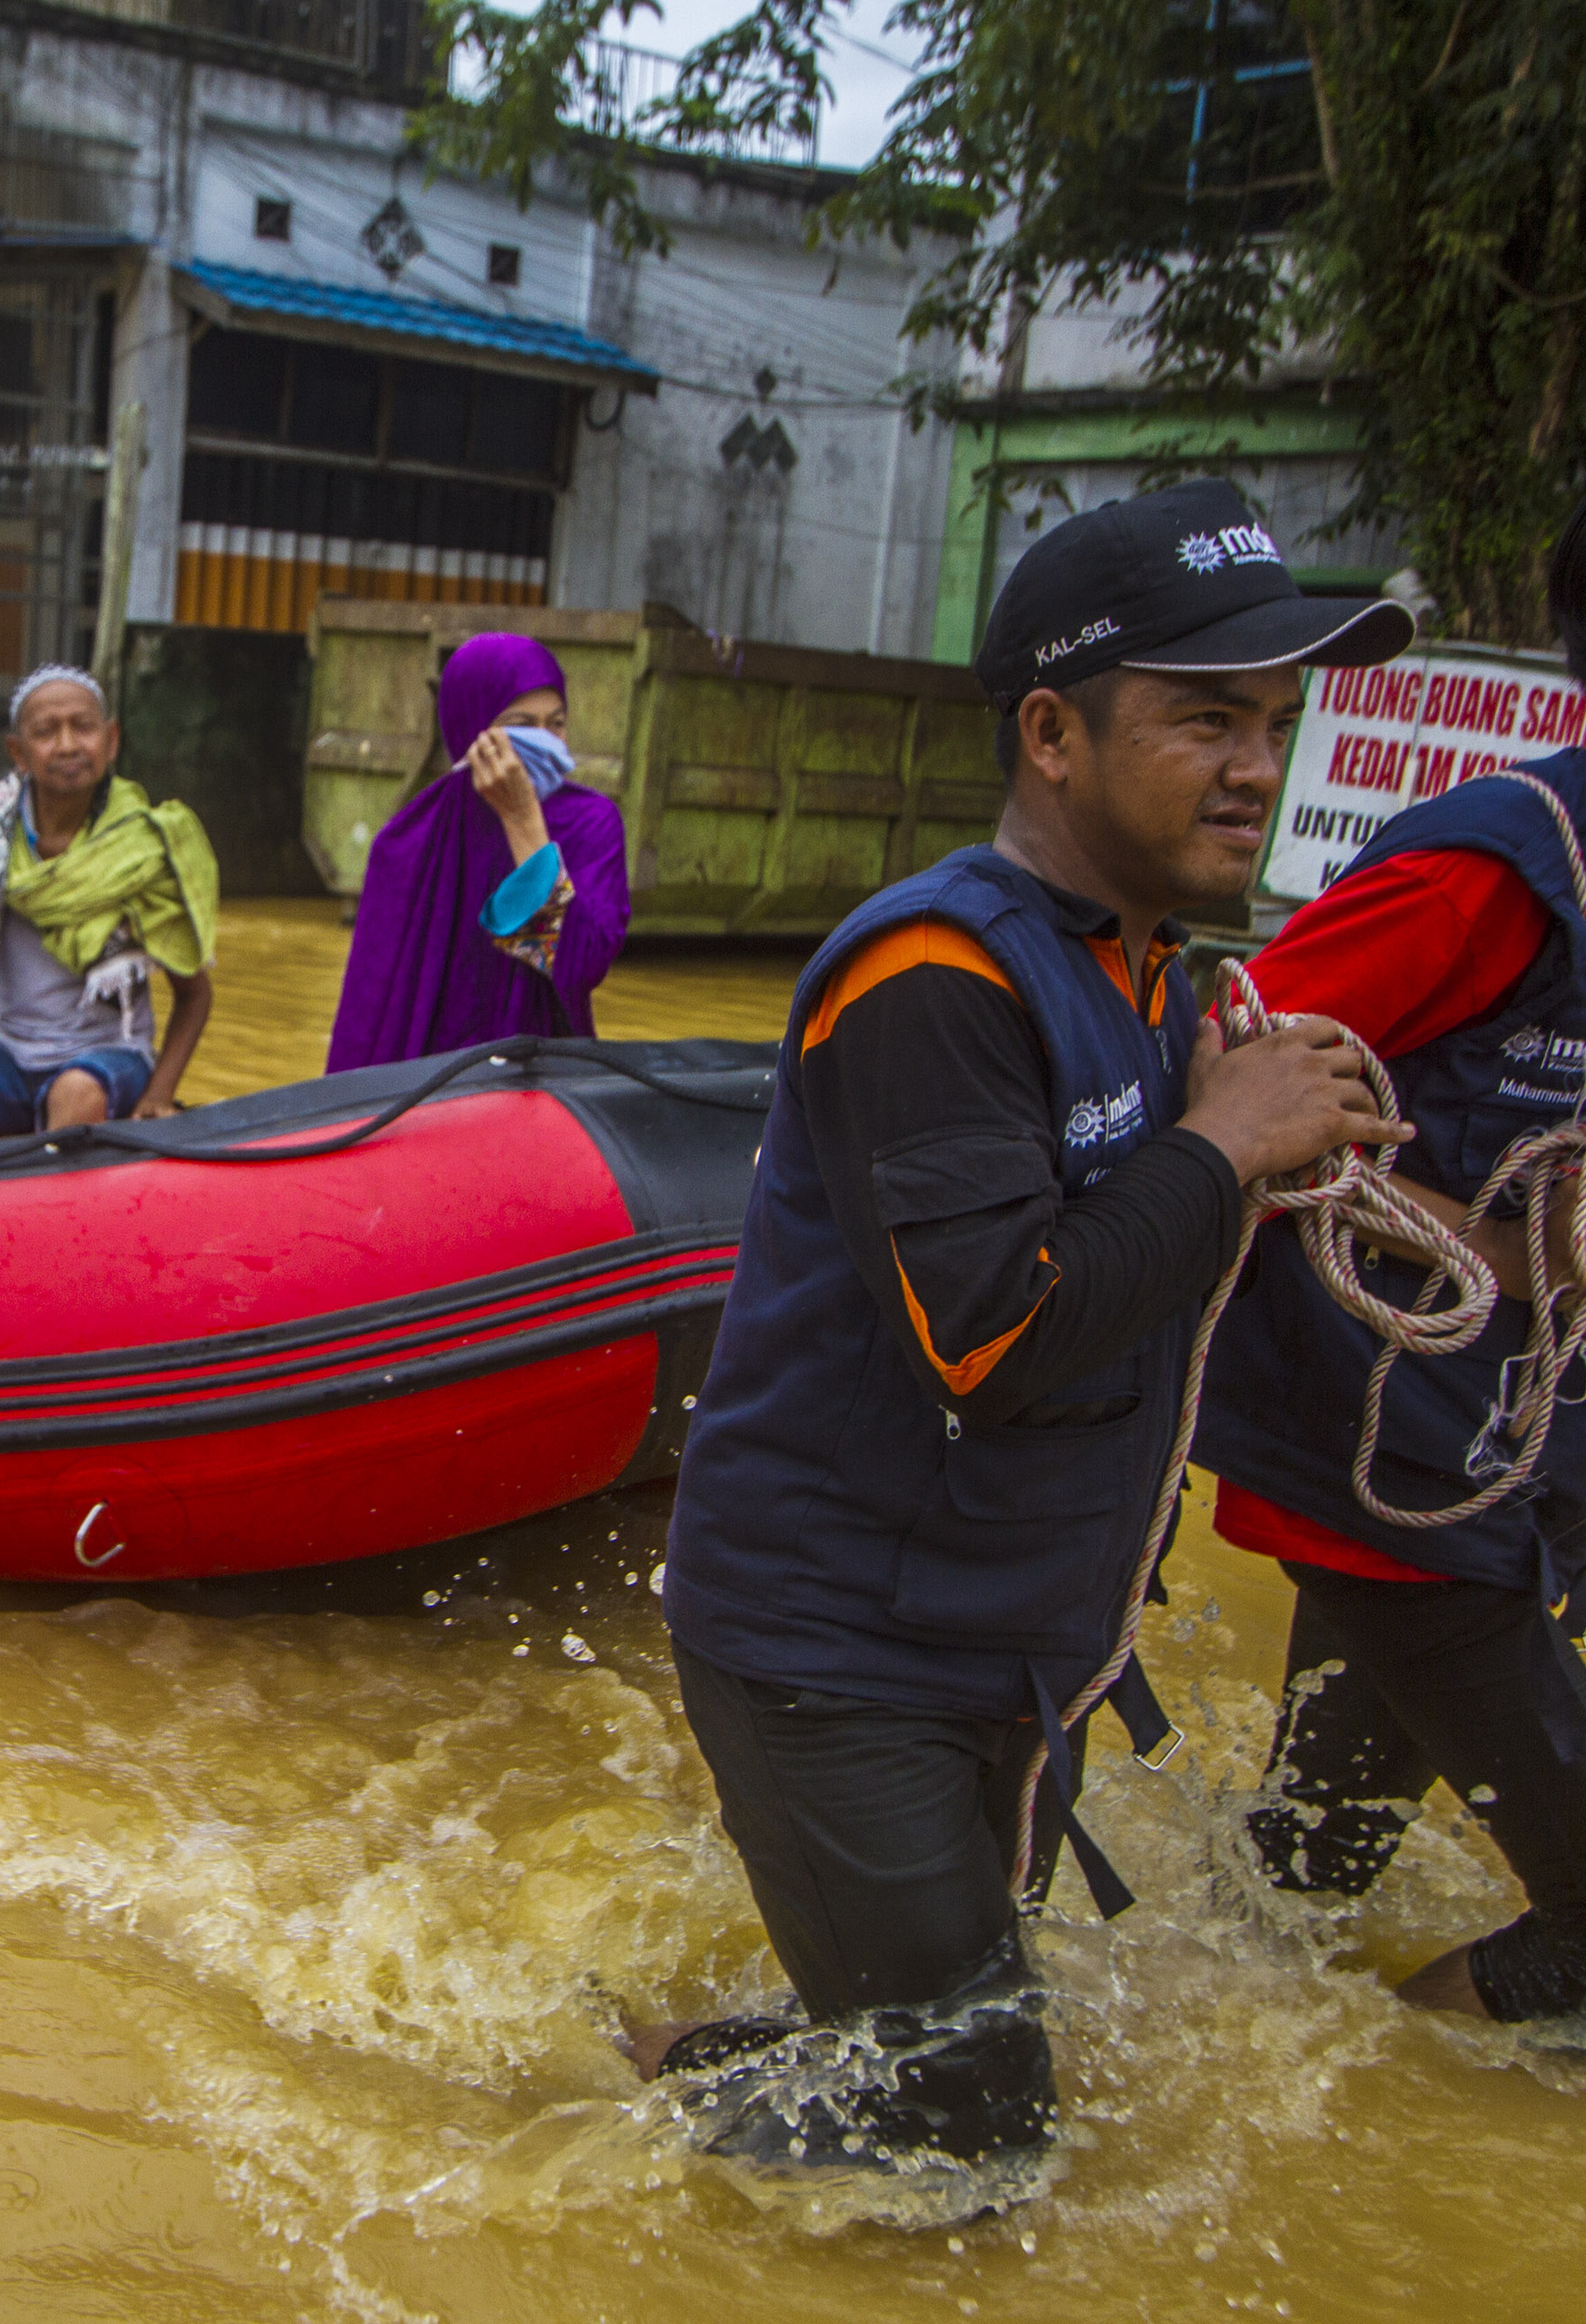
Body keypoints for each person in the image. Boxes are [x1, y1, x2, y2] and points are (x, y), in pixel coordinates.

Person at [645, 480, 1417, 2170]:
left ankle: (667, 2071)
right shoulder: (935, 972)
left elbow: (1179, 1278)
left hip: (1005, 1635)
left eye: (1275, 722)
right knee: (973, 2135)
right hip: (837, 1649)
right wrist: (1226, 1143)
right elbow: (987, 1340)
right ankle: (575, 2141)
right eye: (1205, 716)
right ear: (1055, 734)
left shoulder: (1165, 977)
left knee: (927, 2054)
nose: (1256, 765)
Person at [1191, 423, 1586, 2040]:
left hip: (1539, 1461)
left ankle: (1235, 2092)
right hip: (1409, 1471)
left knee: (1296, 1883)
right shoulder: (1497, 866)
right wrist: (1497, 1241)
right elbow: (1232, 1060)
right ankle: (1382, 2149)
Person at [0, 667, 218, 1142]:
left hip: (107, 1057)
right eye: (46, 732)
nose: (68, 745)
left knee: (76, 1094)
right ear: (18, 753)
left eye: (83, 727)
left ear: (111, 740)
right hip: (6, 1055)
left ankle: (47, 1214)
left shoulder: (141, 845)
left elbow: (195, 993)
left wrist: (158, 1095)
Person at [325, 632, 630, 1070]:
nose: (545, 740)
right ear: (472, 726)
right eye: (523, 725)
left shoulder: (591, 822)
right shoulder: (410, 839)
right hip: (427, 1078)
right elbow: (371, 1012)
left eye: (557, 724)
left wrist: (525, 824)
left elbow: (581, 967)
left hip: (537, 1073)